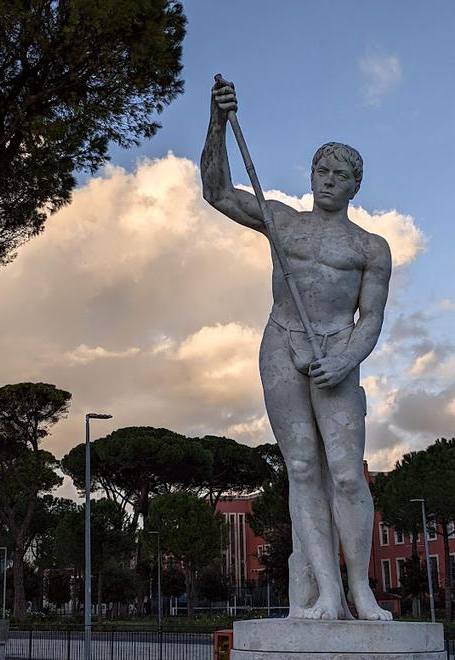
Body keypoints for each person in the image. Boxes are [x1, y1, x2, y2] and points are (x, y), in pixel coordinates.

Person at [201, 78, 392, 621]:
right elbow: (217, 192)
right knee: (303, 468)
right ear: (311, 176)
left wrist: (345, 360)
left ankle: (361, 590)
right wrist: (216, 127)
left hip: (336, 353)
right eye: (321, 172)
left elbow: (371, 318)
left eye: (340, 176)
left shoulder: (369, 248)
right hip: (283, 343)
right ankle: (325, 593)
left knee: (348, 474)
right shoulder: (282, 220)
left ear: (355, 186)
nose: (328, 181)